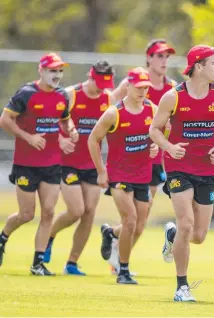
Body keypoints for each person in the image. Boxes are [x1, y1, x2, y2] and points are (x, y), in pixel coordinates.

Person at [150, 45, 214, 302]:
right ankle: (181, 287)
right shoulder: (173, 97)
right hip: (179, 167)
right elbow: (154, 130)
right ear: (199, 66)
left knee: (198, 235)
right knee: (186, 222)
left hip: (208, 169)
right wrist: (169, 147)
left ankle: (172, 235)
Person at [101, 39, 176, 274]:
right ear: (148, 58)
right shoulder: (130, 83)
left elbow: (172, 124)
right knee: (132, 218)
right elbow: (109, 107)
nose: (164, 61)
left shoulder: (172, 86)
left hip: (153, 162)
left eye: (167, 57)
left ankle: (113, 239)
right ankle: (121, 265)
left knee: (140, 221)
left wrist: (163, 147)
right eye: (159, 56)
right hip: (127, 163)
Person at [0, 53, 78, 275]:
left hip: (52, 162)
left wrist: (70, 131)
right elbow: (5, 120)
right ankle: (2, 238)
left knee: (49, 212)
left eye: (60, 71)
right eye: (53, 70)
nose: (57, 75)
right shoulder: (26, 94)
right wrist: (29, 137)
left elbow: (64, 120)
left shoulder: (62, 95)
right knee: (26, 214)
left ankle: (37, 264)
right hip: (26, 163)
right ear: (41, 71)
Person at [42, 60, 115, 275]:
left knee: (90, 212)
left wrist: (107, 167)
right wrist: (59, 140)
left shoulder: (109, 98)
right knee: (76, 210)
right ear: (91, 76)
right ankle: (49, 237)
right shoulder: (70, 94)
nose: (103, 87)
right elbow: (48, 121)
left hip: (92, 164)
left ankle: (71, 263)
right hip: (67, 163)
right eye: (99, 82)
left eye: (106, 83)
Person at [88, 67, 159, 284]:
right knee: (130, 220)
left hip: (143, 175)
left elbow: (163, 131)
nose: (142, 91)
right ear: (127, 86)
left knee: (139, 225)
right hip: (119, 175)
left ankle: (110, 234)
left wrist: (157, 144)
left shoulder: (153, 110)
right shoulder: (113, 113)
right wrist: (101, 171)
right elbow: (93, 139)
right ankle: (123, 271)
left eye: (146, 87)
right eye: (138, 87)